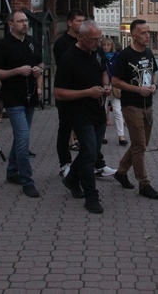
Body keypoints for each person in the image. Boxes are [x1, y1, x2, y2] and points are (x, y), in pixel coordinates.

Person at [55, 20, 110, 214]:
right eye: (94, 39)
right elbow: (59, 93)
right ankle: (91, 196)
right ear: (82, 37)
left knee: (92, 152)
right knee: (88, 152)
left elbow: (104, 71)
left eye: (99, 38)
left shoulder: (97, 53)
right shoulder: (68, 58)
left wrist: (106, 85)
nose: (98, 42)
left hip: (98, 110)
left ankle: (71, 179)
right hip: (78, 112)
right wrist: (87, 92)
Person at [0, 11, 44, 198]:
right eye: (21, 21)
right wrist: (17, 71)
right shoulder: (3, 45)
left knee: (20, 138)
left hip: (29, 97)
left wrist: (38, 70)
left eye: (26, 21)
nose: (25, 24)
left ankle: (12, 172)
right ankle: (27, 180)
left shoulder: (31, 42)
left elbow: (42, 64)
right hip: (12, 98)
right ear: (11, 24)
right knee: (23, 138)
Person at [111, 20, 158, 199]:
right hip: (131, 105)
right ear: (133, 35)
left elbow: (153, 72)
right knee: (139, 145)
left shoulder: (148, 52)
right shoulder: (125, 55)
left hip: (148, 105)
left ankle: (122, 171)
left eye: (148, 32)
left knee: (141, 144)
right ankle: (144, 184)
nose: (147, 36)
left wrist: (154, 84)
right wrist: (137, 89)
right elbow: (115, 81)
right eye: (143, 33)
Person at [53, 8, 85, 176]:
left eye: (83, 21)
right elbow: (65, 66)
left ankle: (95, 162)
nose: (81, 24)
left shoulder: (86, 41)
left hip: (83, 92)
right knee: (65, 128)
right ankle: (65, 163)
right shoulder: (62, 43)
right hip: (66, 91)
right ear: (70, 23)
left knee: (87, 130)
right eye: (79, 21)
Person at [102, 38, 126, 146]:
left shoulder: (117, 56)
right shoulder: (100, 56)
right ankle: (102, 135)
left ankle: (121, 136)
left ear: (112, 46)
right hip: (103, 86)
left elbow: (121, 70)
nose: (106, 47)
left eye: (108, 45)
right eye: (104, 45)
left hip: (115, 87)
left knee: (117, 111)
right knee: (102, 111)